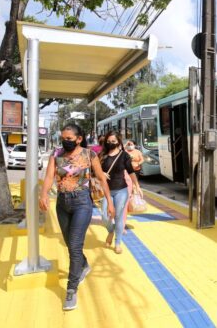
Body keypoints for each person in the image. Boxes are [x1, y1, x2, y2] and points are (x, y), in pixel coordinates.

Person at [40, 123, 115, 311]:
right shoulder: (56, 155)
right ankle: (83, 264)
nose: (65, 142)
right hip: (62, 203)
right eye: (63, 138)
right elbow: (49, 177)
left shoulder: (89, 155)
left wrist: (110, 202)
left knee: (74, 246)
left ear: (79, 139)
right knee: (69, 242)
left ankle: (71, 289)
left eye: (69, 139)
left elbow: (100, 178)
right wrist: (43, 195)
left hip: (82, 202)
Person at [99, 131, 143, 254]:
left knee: (118, 217)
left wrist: (137, 185)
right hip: (107, 191)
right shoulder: (102, 155)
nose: (111, 143)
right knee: (104, 216)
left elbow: (130, 171)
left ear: (118, 141)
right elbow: (94, 171)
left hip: (121, 190)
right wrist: (101, 173)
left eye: (113, 141)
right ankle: (111, 231)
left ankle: (118, 243)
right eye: (108, 141)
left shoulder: (124, 155)